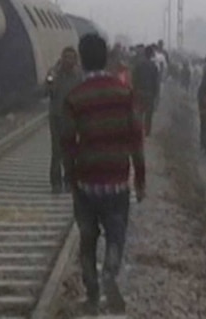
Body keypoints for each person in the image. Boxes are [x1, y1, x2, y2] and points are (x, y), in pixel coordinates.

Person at [63, 33, 145, 316]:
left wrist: (70, 176)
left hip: (86, 179)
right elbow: (137, 138)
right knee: (116, 234)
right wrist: (141, 178)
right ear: (106, 57)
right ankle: (110, 272)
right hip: (116, 179)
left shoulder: (75, 97)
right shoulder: (124, 93)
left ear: (82, 60)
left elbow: (66, 142)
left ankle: (92, 296)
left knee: (87, 240)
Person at [45, 46, 83, 193]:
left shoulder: (78, 75)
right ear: (62, 57)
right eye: (66, 57)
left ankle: (69, 179)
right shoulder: (54, 73)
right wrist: (50, 83)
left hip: (72, 117)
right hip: (56, 116)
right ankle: (56, 182)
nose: (68, 60)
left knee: (70, 151)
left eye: (71, 57)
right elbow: (46, 92)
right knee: (56, 151)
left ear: (75, 59)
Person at [131, 45, 160, 137]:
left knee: (139, 112)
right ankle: (147, 132)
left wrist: (134, 90)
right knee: (149, 114)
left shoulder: (138, 65)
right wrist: (156, 94)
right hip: (150, 93)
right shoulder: (154, 66)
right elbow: (156, 82)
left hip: (139, 92)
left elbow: (134, 79)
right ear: (151, 55)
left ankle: (138, 130)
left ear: (144, 54)